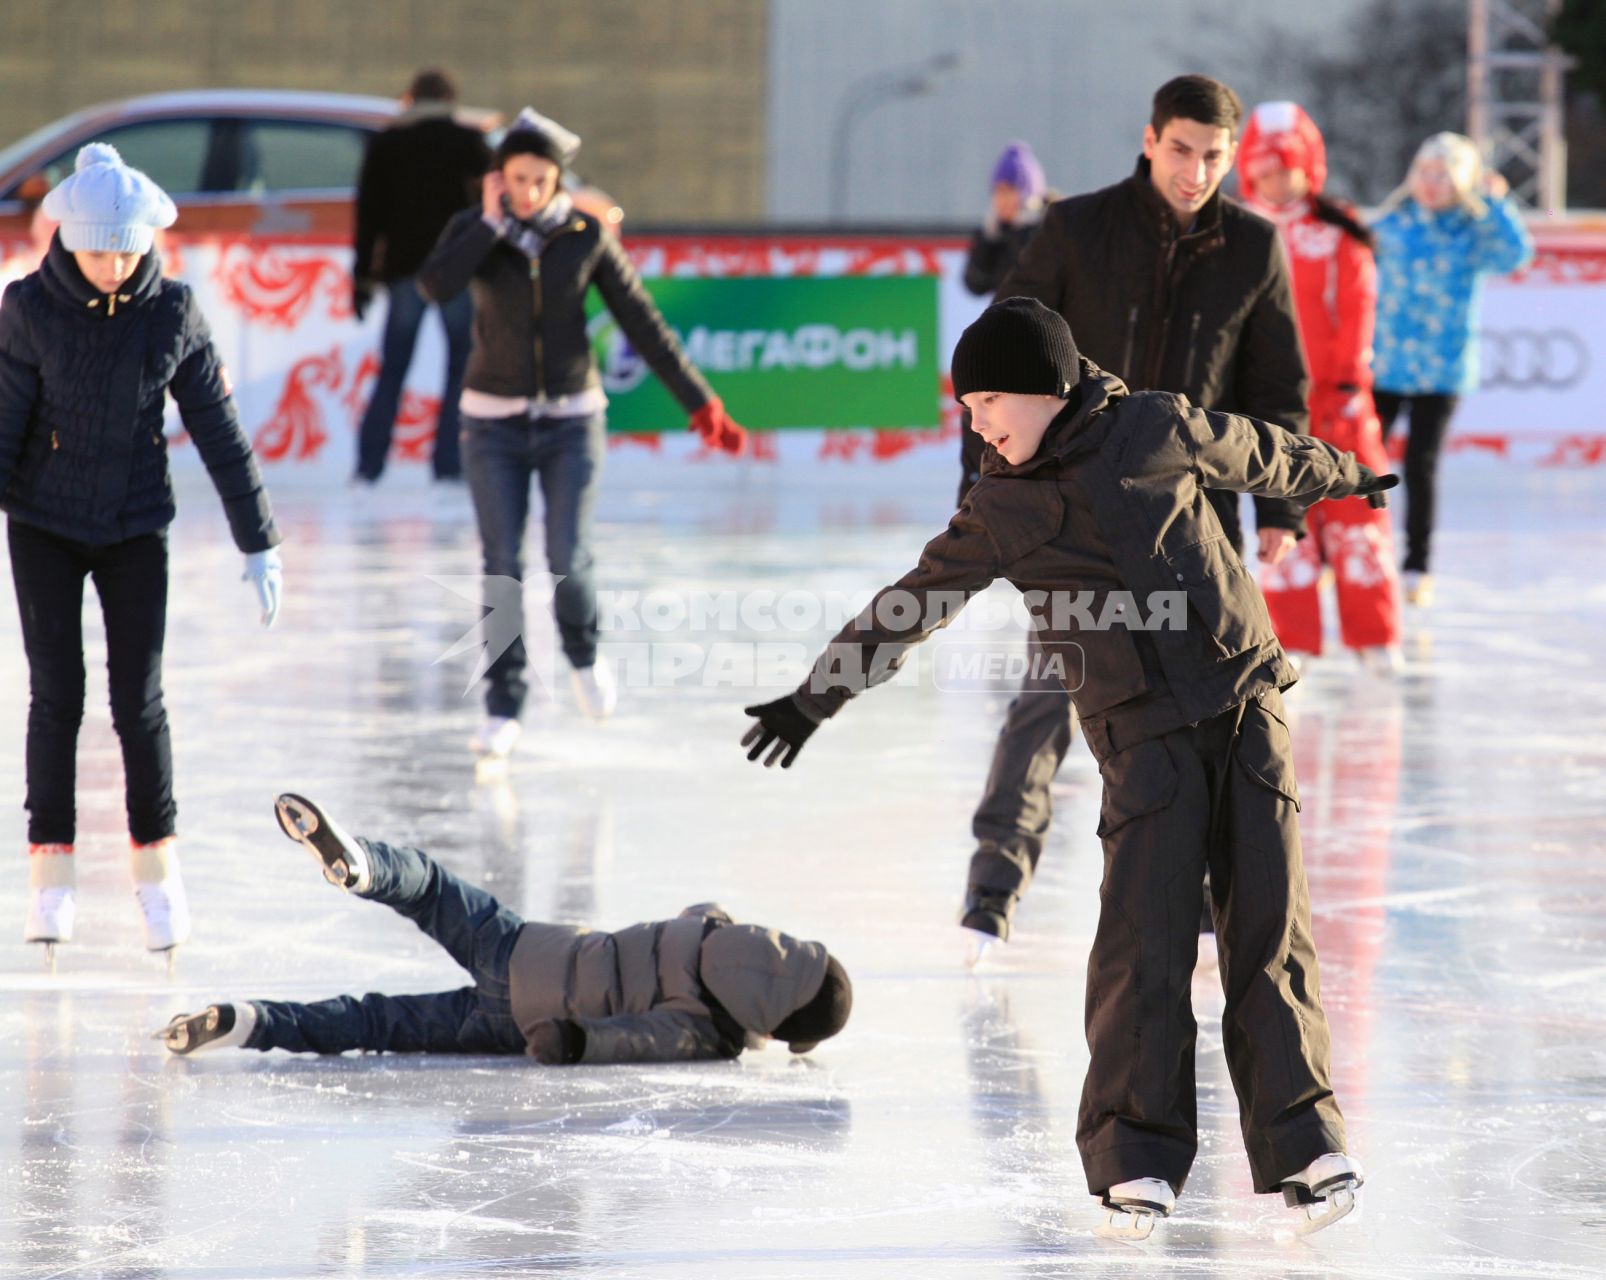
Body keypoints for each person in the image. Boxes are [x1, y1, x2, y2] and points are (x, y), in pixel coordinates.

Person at [739, 297, 1387, 1236]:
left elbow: (1258, 450)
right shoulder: (1003, 505)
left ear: (1045, 388)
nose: (976, 423)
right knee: (1145, 939)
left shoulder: (1156, 427)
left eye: (989, 400)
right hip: (1140, 736)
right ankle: (1135, 1159)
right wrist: (814, 696)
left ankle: (1307, 1143)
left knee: (1270, 928)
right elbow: (907, 607)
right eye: (966, 408)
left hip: (1245, 701)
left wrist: (1343, 475)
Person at [959, 75, 1312, 956]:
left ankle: (1196, 896)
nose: (1196, 171)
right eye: (1182, 150)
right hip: (1076, 510)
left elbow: (1275, 389)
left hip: (1195, 519)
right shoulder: (1077, 228)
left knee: (1206, 705)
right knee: (1051, 694)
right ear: (1152, 141)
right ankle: (994, 889)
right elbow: (1003, 351)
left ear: (1232, 158)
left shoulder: (1253, 249)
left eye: (1214, 156)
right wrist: (995, 489)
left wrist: (1282, 504)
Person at [0, 144, 282, 961]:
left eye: (128, 248)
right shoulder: (27, 311)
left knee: (140, 701)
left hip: (133, 527)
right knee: (57, 698)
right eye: (100, 249)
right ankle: (50, 881)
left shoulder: (174, 314)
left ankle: (158, 877)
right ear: (70, 241)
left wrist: (258, 539)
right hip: (45, 526)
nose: (116, 265)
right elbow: (6, 425)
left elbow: (220, 433)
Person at [417, 108, 747, 756]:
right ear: (499, 178)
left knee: (568, 554)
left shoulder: (584, 234)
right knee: (501, 565)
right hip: (492, 424)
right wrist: (487, 225)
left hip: (571, 420)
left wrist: (701, 403)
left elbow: (643, 322)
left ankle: (582, 654)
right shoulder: (475, 231)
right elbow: (435, 286)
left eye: (540, 179)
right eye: (517, 178)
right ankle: (504, 704)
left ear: (558, 179)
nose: (528, 191)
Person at [156, 793, 852, 1063]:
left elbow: (698, 907)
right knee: (376, 1022)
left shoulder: (711, 932)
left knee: (424, 883)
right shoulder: (711, 1030)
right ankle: (246, 1021)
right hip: (513, 1021)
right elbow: (638, 1037)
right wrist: (571, 1041)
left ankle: (364, 866)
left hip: (522, 945)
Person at [1237, 102, 1402, 672]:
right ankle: (1292, 640)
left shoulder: (1336, 231)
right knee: (1285, 521)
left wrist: (1350, 381)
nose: (1277, 179)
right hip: (1272, 405)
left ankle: (1374, 635)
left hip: (1340, 398)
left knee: (1359, 516)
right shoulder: (1235, 230)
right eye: (1266, 168)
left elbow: (1357, 307)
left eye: (1288, 167)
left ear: (1311, 167)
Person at [1371, 132, 1533, 607]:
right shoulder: (1394, 223)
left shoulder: (1471, 230)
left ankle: (1417, 564)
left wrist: (1496, 205)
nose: (1432, 183)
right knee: (1363, 461)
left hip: (1442, 371)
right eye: (1425, 172)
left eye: (1444, 175)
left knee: (1421, 465)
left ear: (1461, 182)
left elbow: (1515, 256)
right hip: (1386, 365)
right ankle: (1343, 550)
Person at [351, 67, 490, 486]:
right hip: (456, 271)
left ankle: (369, 467)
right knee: (459, 368)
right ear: (450, 99)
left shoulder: (388, 143)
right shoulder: (468, 142)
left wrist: (360, 277)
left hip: (404, 272)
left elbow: (368, 215)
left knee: (393, 368)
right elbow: (488, 209)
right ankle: (448, 465)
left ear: (410, 98)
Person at [959, 141, 1052, 502]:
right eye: (996, 192)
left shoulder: (1046, 235)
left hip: (1033, 354)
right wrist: (989, 236)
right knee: (975, 421)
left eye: (1009, 190)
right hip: (1001, 348)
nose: (1001, 199)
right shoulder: (999, 234)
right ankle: (975, 496)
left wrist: (1020, 234)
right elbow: (973, 282)